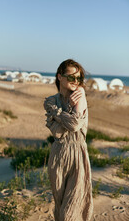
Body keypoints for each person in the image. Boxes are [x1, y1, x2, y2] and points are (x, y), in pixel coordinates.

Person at [44, 59, 93, 221]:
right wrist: (67, 112)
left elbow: (74, 124)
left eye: (79, 78)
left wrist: (61, 113)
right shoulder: (51, 101)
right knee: (59, 208)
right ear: (60, 77)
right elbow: (57, 133)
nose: (76, 81)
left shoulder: (81, 97)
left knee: (70, 212)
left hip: (78, 156)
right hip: (58, 156)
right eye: (71, 77)